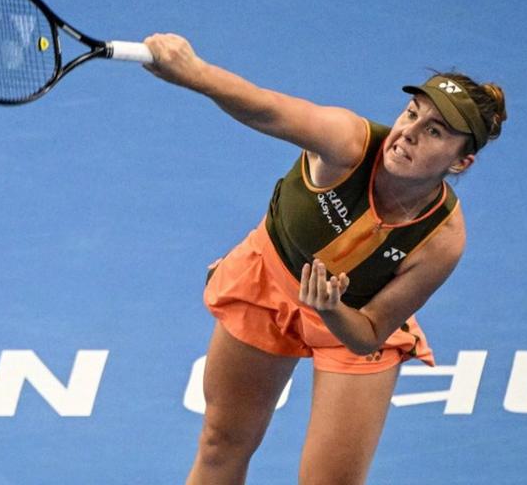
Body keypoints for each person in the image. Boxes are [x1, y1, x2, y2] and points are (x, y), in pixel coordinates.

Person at [142, 33, 507, 485]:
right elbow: (266, 107)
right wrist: (195, 74)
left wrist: (331, 310)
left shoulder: (442, 239)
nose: (407, 134)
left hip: (350, 319)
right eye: (412, 114)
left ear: (461, 162)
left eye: (434, 132)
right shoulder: (348, 142)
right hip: (266, 285)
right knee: (221, 444)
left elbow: (369, 333)